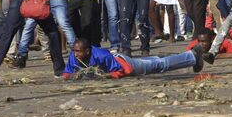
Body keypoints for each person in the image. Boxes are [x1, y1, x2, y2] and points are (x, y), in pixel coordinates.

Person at [63, 39, 204, 80]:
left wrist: (104, 76)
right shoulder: (73, 57)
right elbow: (66, 75)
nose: (75, 54)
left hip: (124, 63)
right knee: (155, 60)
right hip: (121, 66)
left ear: (87, 51)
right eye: (74, 51)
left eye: (78, 51)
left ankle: (192, 56)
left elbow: (122, 70)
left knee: (159, 65)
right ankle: (192, 55)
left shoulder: (101, 55)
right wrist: (75, 76)